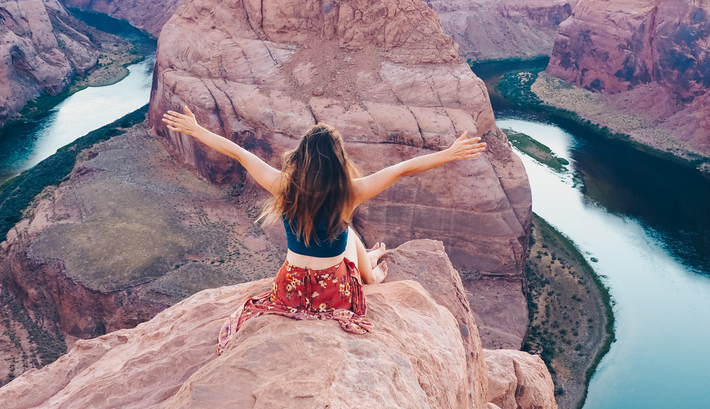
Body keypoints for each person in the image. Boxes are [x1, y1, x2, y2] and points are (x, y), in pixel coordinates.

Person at [161, 106, 487, 353]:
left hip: (291, 287)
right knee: (345, 234)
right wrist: (449, 154)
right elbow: (402, 169)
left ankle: (370, 259)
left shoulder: (282, 185)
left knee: (344, 235)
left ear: (300, 158)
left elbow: (239, 153)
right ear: (338, 159)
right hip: (333, 292)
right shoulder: (350, 191)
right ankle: (371, 272)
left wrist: (195, 130)